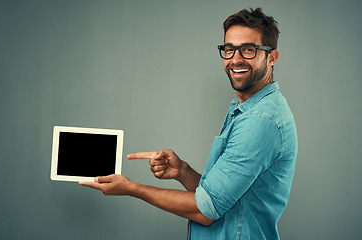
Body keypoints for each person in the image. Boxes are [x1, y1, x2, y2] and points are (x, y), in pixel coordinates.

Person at [80, 7, 297, 239]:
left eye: (248, 50)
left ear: (271, 57)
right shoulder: (245, 107)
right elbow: (220, 197)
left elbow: (206, 210)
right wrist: (182, 171)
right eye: (229, 49)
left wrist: (131, 188)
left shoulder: (259, 120)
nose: (235, 59)